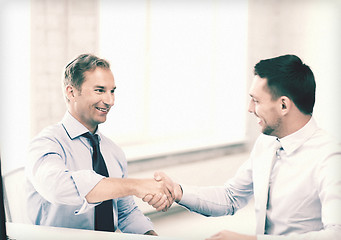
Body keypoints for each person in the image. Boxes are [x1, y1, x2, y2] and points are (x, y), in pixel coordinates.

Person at [144, 54, 341, 239]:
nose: (249, 108)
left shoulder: (331, 157)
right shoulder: (267, 143)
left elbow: (336, 234)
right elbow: (231, 197)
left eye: (256, 101)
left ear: (283, 106)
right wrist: (178, 191)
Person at [26, 54, 174, 235]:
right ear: (71, 92)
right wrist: (136, 185)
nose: (110, 101)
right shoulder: (46, 144)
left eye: (112, 91)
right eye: (100, 90)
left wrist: (151, 236)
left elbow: (125, 213)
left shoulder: (113, 151)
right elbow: (58, 188)